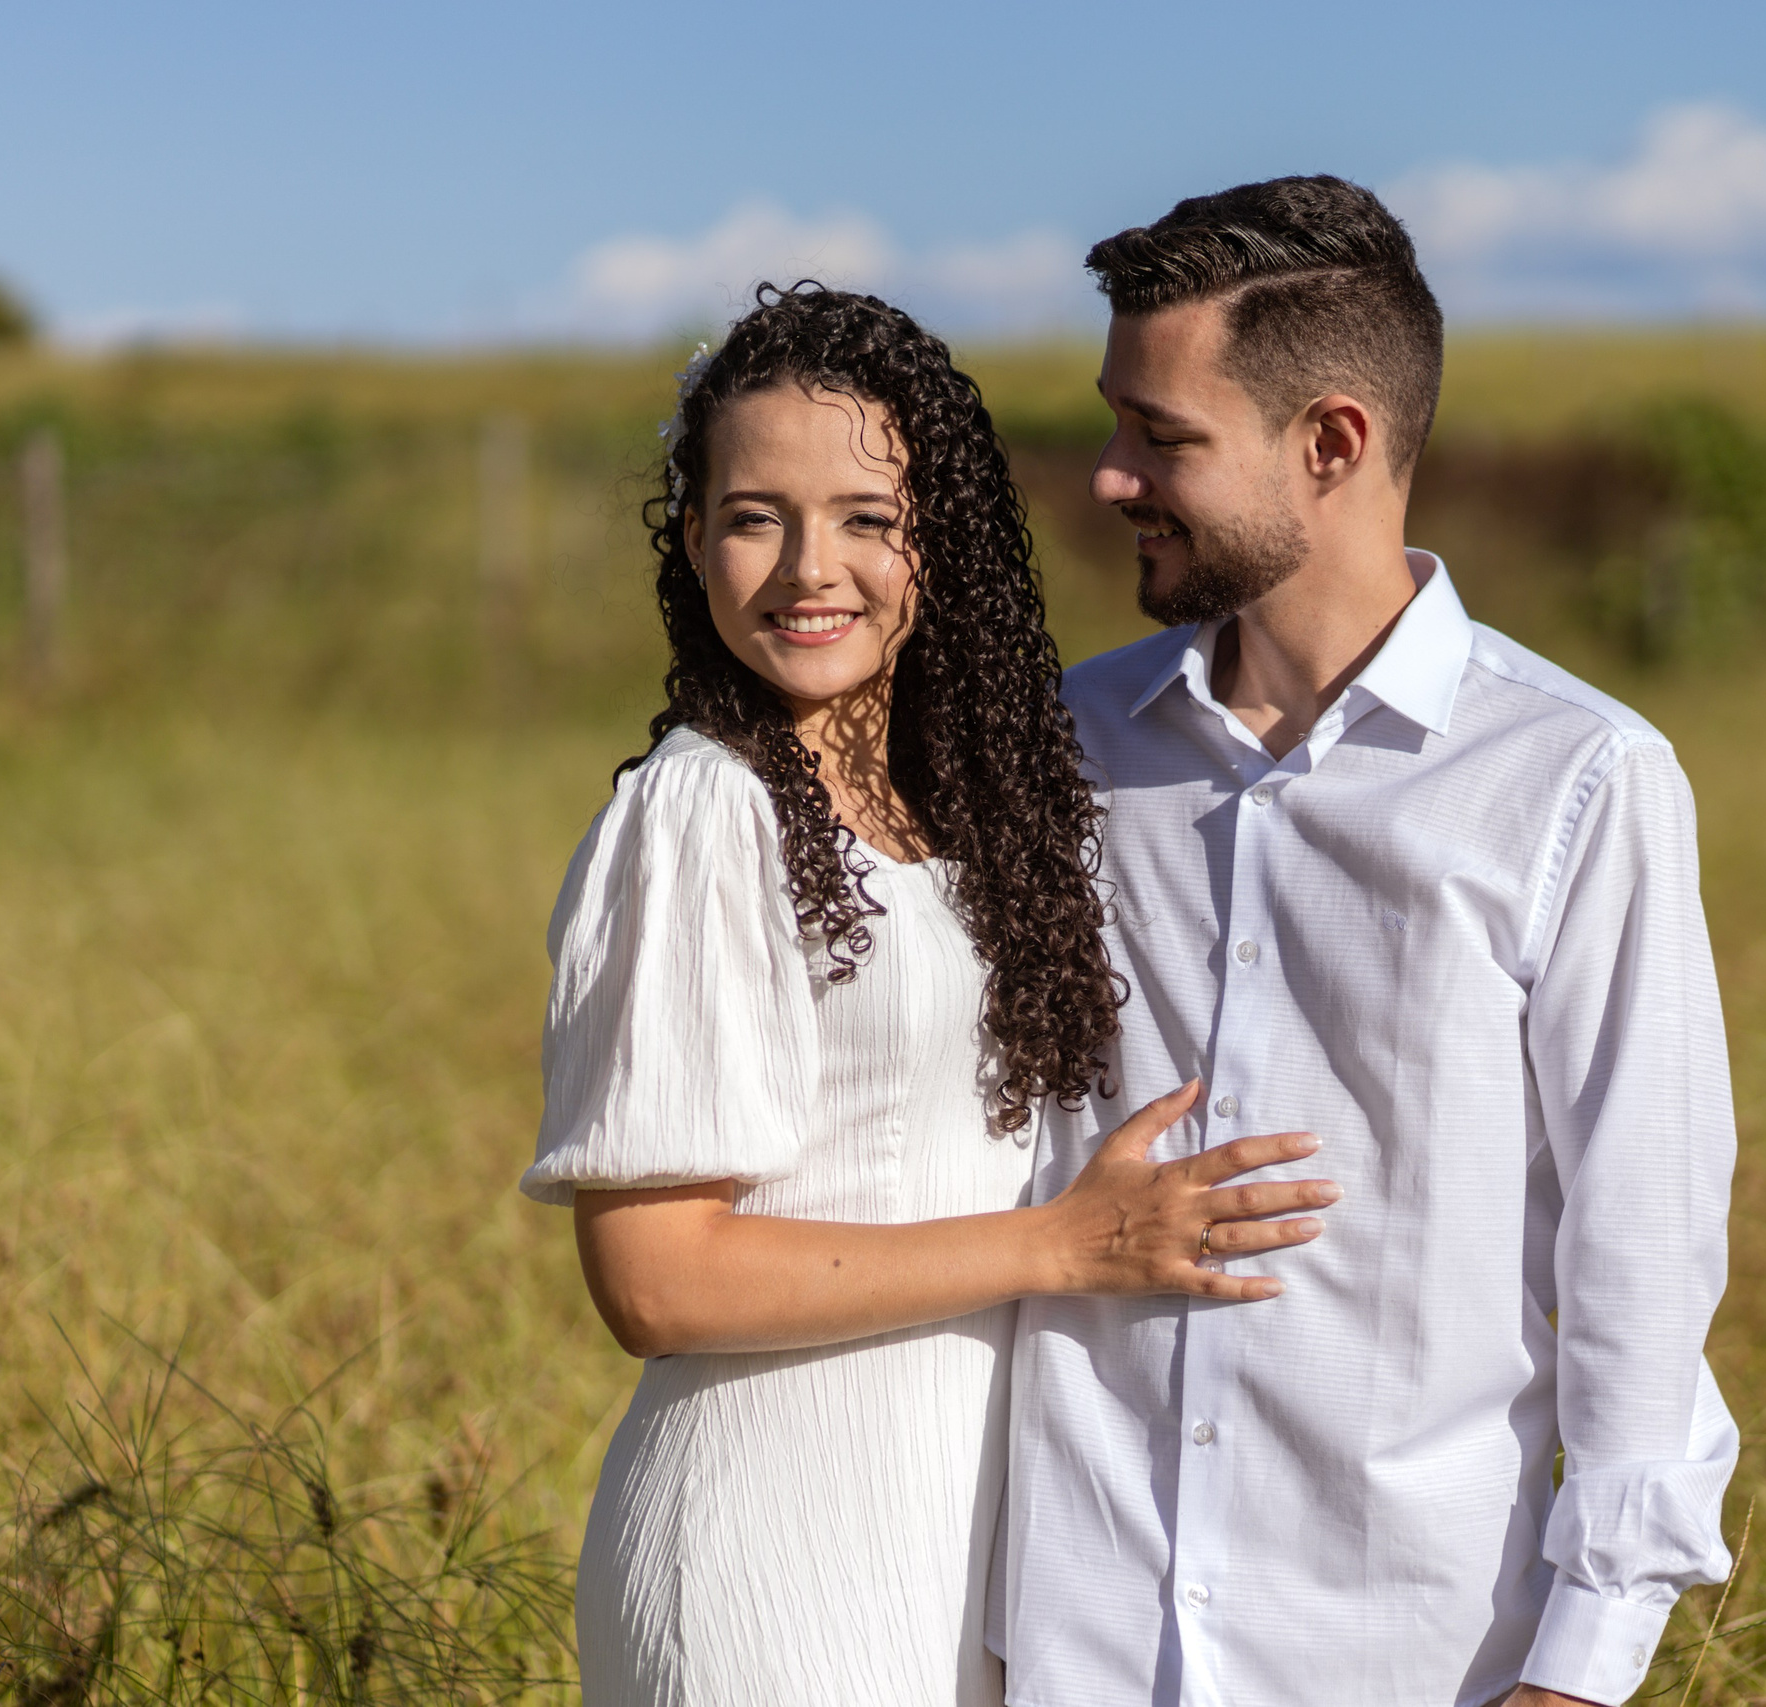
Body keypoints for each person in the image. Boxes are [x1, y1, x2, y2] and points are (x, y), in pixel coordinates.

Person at [520, 284, 1342, 1707]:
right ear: (695, 542)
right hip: (767, 1563)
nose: (803, 570)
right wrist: (1063, 1248)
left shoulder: (960, 806)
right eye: (752, 514)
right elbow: (655, 1280)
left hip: (950, 1547)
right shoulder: (702, 813)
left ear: (939, 544)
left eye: (863, 517)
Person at [988, 179, 1741, 1707]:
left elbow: (1640, 1253)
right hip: (1075, 1645)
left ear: (1331, 441)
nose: (1113, 481)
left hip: (1412, 1656)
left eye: (1164, 437)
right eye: (1115, 426)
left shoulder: (1574, 781)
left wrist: (1582, 1667)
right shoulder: (1054, 750)